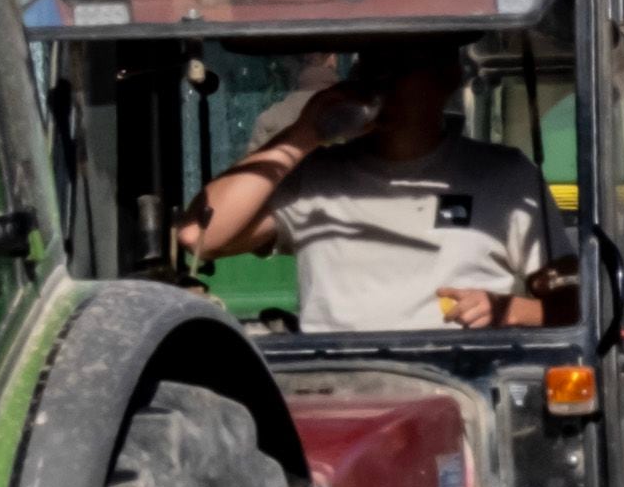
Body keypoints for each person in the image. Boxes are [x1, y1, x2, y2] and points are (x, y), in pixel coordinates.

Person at [182, 33, 554, 334]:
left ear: (448, 77)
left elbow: (576, 301)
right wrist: (305, 133)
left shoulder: (506, 176)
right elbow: (199, 236)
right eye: (372, 66)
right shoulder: (315, 178)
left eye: (401, 65)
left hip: (464, 388)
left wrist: (515, 310)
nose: (382, 82)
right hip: (336, 390)